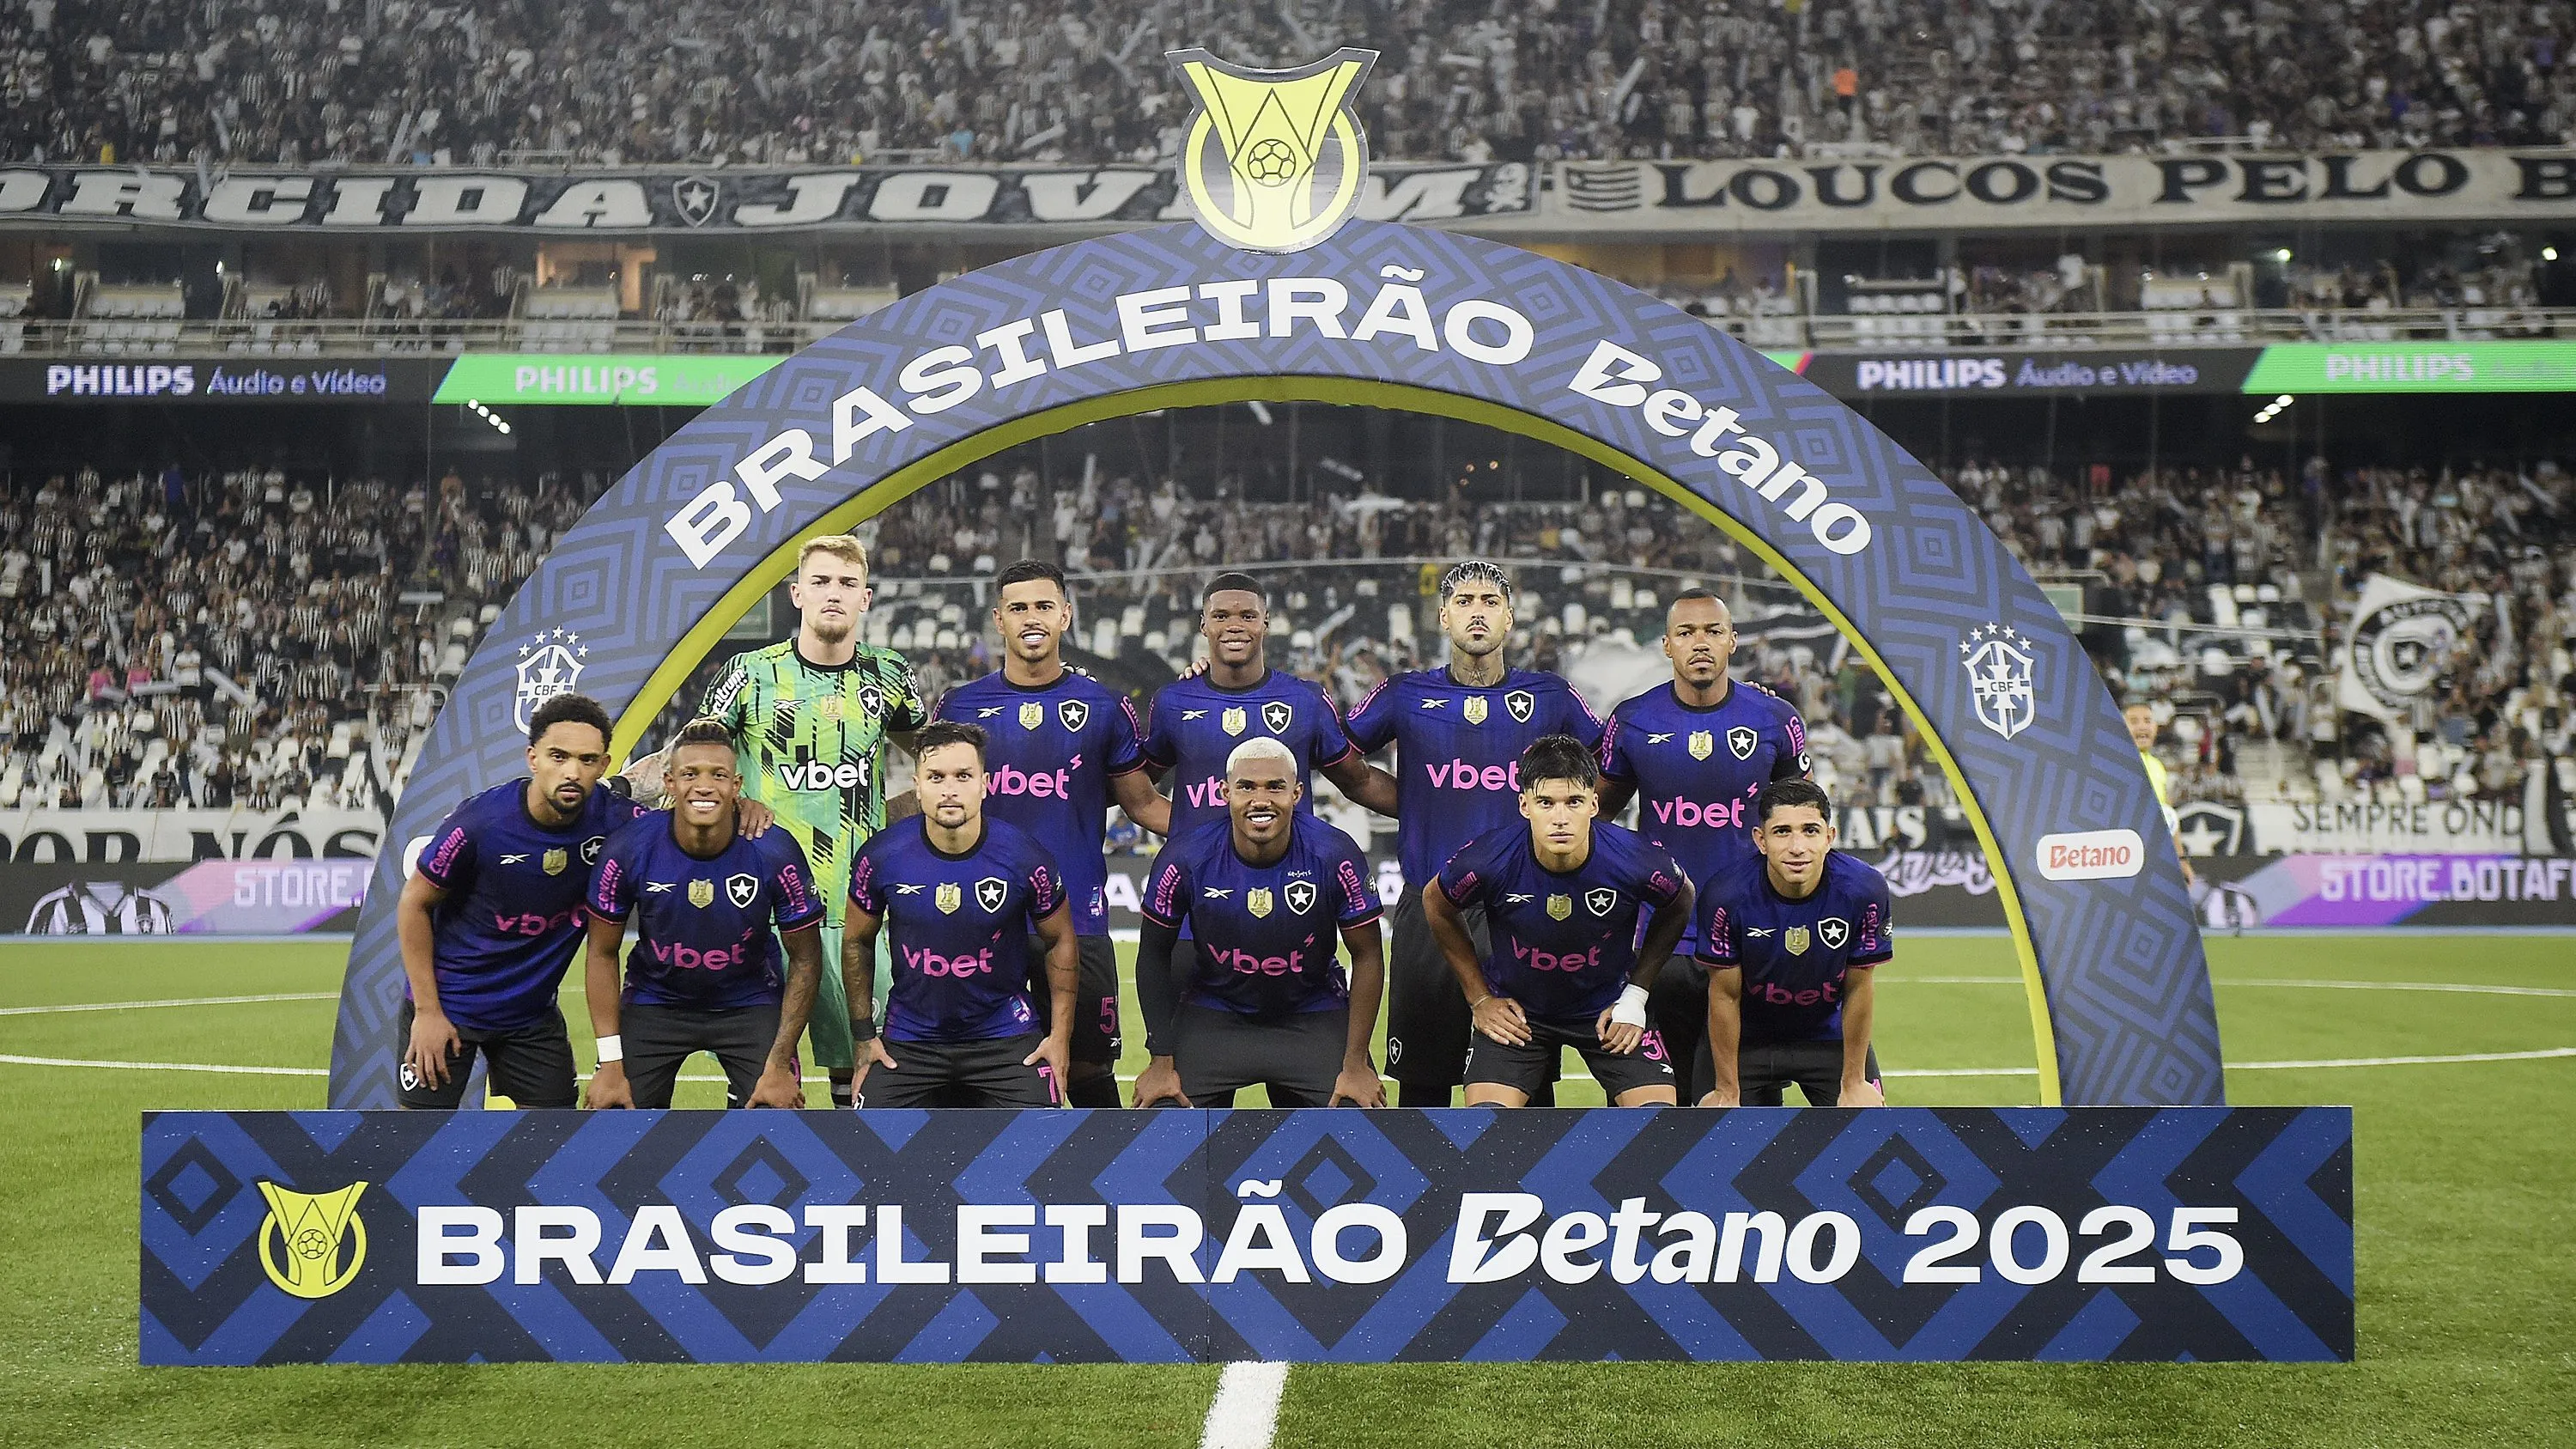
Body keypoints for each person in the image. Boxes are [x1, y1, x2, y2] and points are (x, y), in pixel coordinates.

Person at [637, 533, 927, 1111]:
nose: (833, 594)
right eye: (820, 581)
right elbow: (691, 757)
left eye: (847, 583)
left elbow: (934, 756)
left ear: (865, 598)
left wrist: (895, 818)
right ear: (797, 593)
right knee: (764, 1086)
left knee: (861, 1078)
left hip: (854, 908)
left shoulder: (890, 675)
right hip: (759, 910)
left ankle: (857, 1196)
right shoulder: (748, 672)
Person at [394, 692, 769, 1109]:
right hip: (450, 1008)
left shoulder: (617, 821)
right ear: (532, 758)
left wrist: (738, 806)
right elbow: (414, 904)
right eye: (559, 757)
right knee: (420, 1142)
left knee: (558, 1142)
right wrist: (427, 1011)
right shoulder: (480, 823)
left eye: (587, 760)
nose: (572, 772)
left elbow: (689, 817)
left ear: (604, 766)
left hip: (530, 1017)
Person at [1344, 558, 1602, 1106]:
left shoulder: (1552, 695)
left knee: (1524, 1076)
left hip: (1524, 908)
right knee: (1423, 1080)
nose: (1477, 613)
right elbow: (1347, 762)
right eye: (1464, 602)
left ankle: (1525, 1189)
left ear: (1510, 620)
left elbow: (1611, 761)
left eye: (1490, 603)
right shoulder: (1403, 693)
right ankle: (1422, 1193)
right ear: (1443, 616)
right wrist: (1414, 803)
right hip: (1430, 904)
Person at [931, 559, 1170, 1108]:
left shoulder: (1104, 706)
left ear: (1066, 614)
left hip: (1077, 921)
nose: (1031, 618)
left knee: (1086, 1072)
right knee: (975, 1072)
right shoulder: (961, 705)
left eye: (1043, 606)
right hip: (976, 922)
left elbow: (1144, 804)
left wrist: (1228, 831)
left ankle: (1108, 1191)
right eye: (1018, 608)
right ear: (999, 619)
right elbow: (932, 802)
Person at [1595, 588, 1809, 1101]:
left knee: (1744, 1104)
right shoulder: (1631, 720)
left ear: (1733, 641)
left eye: (1713, 631)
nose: (1700, 643)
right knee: (1658, 1104)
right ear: (1667, 645)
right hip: (1659, 943)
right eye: (1686, 633)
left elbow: (1800, 818)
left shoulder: (1776, 720)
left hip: (1748, 938)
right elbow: (1594, 817)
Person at [1425, 735, 1693, 1107]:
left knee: (1658, 1122)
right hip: (1519, 1015)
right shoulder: (1489, 858)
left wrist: (1636, 995)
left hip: (1608, 1009)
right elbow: (1436, 904)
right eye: (1546, 803)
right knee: (1484, 1129)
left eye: (1574, 802)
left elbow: (1681, 900)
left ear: (1594, 804)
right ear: (1524, 805)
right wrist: (1481, 998)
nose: (1560, 818)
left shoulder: (1636, 858)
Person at [580, 718, 826, 1110]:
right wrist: (611, 1061)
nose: (705, 786)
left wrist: (779, 1060)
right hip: (655, 1001)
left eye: (719, 775)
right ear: (670, 783)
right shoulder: (629, 847)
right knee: (611, 1114)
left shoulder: (774, 850)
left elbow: (807, 958)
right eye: (690, 774)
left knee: (778, 1114)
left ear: (736, 787)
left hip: (749, 1002)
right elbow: (601, 953)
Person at [1131, 738, 1388, 1109]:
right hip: (1216, 1012)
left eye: (1275, 787)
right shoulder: (1185, 856)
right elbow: (1154, 954)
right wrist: (1160, 1058)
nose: (1261, 800)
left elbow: (1368, 956)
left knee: (1358, 1113)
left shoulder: (1334, 853)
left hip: (1311, 1011)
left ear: (1297, 794)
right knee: (1161, 1114)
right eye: (1246, 787)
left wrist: (1356, 1063)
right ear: (1225, 792)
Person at [843, 721, 1078, 1108]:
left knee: (1042, 1145)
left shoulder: (1025, 856)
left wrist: (1059, 1039)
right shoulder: (880, 856)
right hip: (910, 1039)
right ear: (917, 785)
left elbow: (1060, 940)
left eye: (963, 776)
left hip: (1005, 1036)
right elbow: (856, 940)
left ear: (984, 784)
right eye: (936, 777)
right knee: (868, 1149)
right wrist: (864, 1036)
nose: (949, 789)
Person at [1140, 571, 1396, 844]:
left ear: (1266, 622)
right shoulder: (1174, 701)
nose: (1234, 626)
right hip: (1201, 879)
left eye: (1248, 616)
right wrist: (1192, 834)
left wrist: (1434, 811)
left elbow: (1358, 781)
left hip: (1289, 876)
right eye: (1221, 616)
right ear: (1204, 625)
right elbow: (1137, 794)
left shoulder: (1305, 699)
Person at [1696, 779, 1892, 1107]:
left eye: (1811, 831)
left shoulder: (1865, 889)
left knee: (1866, 1128)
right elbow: (1725, 995)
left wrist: (1854, 1080)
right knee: (1718, 1139)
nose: (1797, 847)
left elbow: (1860, 986)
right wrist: (1727, 1089)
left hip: (1829, 1039)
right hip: (1747, 1041)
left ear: (1830, 837)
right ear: (1761, 840)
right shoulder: (1725, 895)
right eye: (1782, 831)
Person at [2126, 700, 2196, 886]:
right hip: (2128, 857)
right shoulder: (2117, 762)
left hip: (2155, 856)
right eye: (2134, 721)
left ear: (2156, 727)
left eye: (2147, 721)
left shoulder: (2158, 766)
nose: (2142, 726)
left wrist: (2180, 859)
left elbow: (2169, 816)